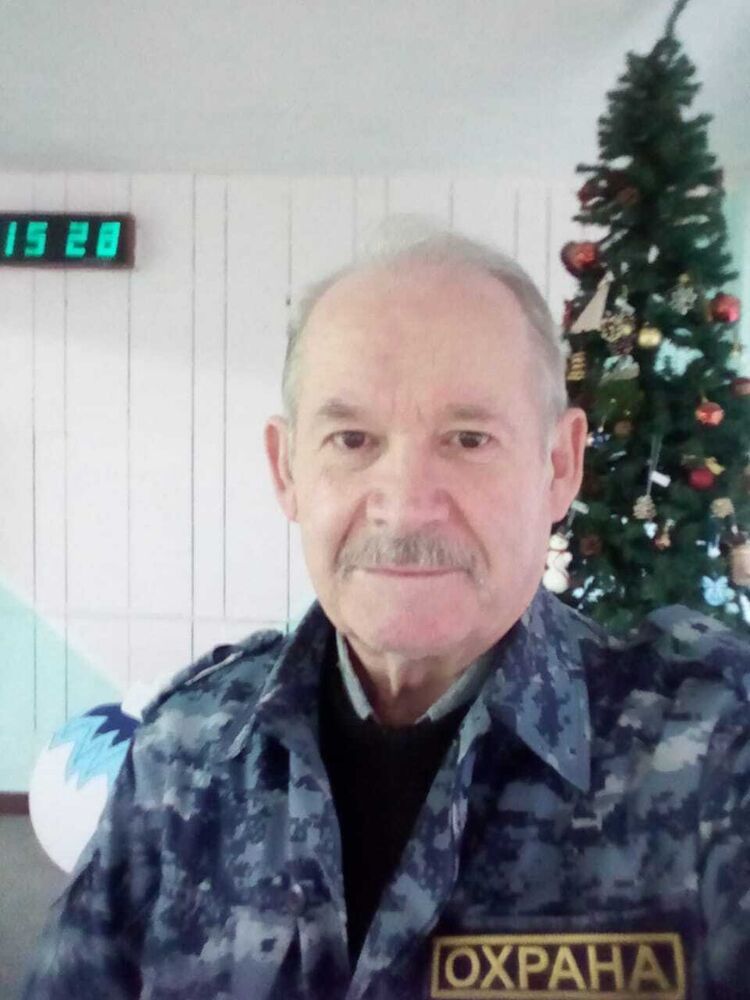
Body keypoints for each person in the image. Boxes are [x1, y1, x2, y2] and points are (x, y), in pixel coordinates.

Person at [24, 221, 750, 1000]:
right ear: (287, 469)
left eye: (468, 439)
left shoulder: (715, 745)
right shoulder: (184, 753)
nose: (404, 506)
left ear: (560, 465)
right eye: (352, 439)